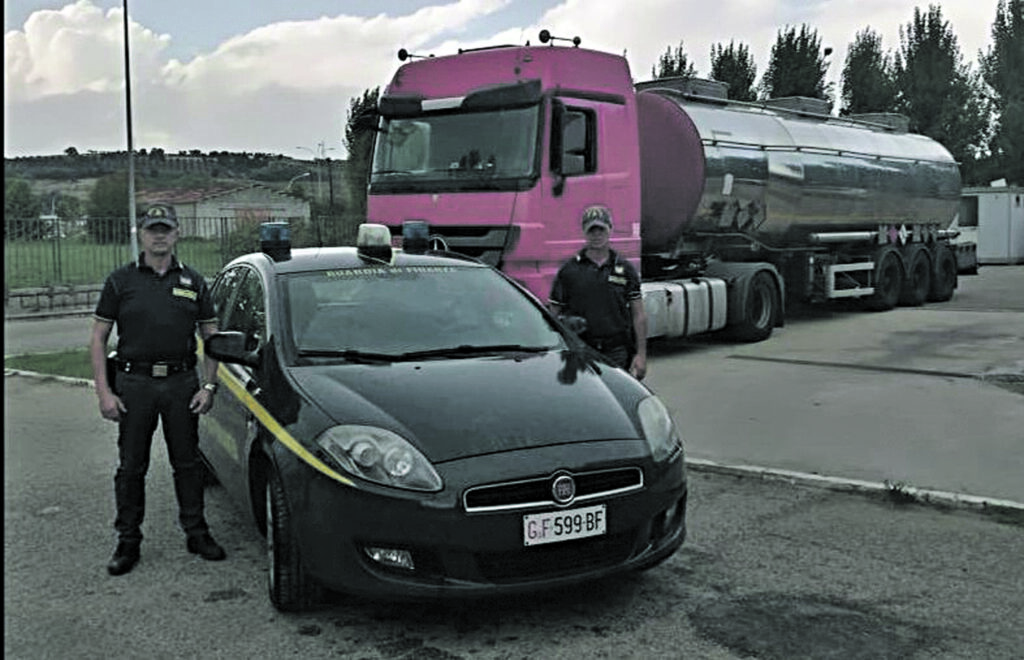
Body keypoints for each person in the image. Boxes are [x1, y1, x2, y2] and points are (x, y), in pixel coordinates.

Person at [89, 204, 226, 576]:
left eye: (166, 229)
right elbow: (98, 339)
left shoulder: (194, 281)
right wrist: (104, 393)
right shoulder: (121, 282)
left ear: (177, 233)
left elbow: (211, 337)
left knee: (188, 464)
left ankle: (196, 533)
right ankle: (128, 541)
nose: (159, 235)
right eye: (153, 229)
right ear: (142, 235)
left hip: (182, 383)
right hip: (135, 385)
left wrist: (209, 385)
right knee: (132, 467)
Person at [548, 205, 648, 379]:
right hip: (580, 350)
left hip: (617, 351)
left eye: (601, 229)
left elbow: (638, 315)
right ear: (584, 233)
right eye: (592, 231)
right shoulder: (569, 271)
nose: (597, 235)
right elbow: (553, 314)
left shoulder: (625, 269)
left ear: (610, 230)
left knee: (618, 399)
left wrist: (641, 354)